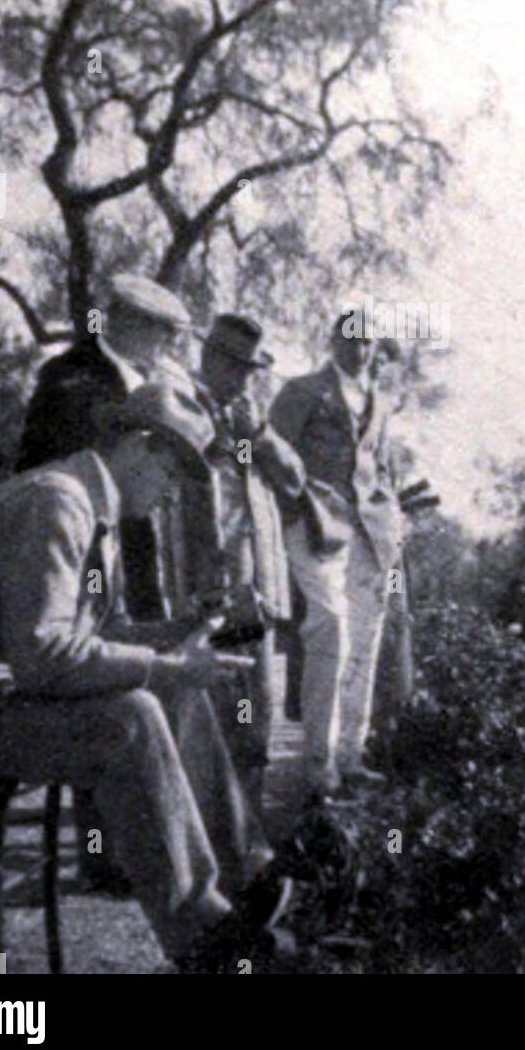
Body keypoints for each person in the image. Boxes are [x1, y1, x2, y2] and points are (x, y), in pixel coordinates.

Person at [0, 380, 294, 973]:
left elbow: (98, 637)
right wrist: (165, 666)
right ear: (137, 446)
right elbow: (43, 656)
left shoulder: (92, 508)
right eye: (169, 472)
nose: (170, 494)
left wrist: (193, 627)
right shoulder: (57, 504)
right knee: (131, 716)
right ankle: (201, 937)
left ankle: (246, 881)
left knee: (173, 694)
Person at [269, 309, 404, 800]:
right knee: (332, 629)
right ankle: (318, 763)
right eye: (351, 339)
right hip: (316, 525)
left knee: (365, 640)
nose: (359, 349)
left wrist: (393, 521)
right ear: (332, 341)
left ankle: (351, 756)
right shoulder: (302, 391)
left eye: (368, 342)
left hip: (370, 533)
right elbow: (272, 456)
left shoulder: (381, 403)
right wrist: (295, 513)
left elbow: (381, 469)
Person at [16, 273, 193, 622]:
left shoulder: (151, 381)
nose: (170, 344)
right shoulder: (70, 375)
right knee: (86, 630)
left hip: (134, 542)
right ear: (127, 322)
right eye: (163, 331)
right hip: (79, 535)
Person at [194, 314, 306, 811]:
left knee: (255, 715)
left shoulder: (250, 421)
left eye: (249, 370)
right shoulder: (184, 408)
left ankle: (246, 829)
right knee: (219, 718)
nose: (242, 380)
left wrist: (257, 434)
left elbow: (294, 480)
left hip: (257, 590)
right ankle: (219, 833)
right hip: (214, 591)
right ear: (208, 358)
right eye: (234, 366)